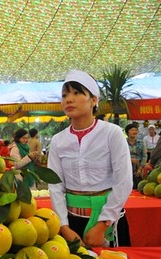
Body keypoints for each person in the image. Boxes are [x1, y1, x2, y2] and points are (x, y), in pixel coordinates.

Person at [48, 69, 132, 248]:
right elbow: (55, 186)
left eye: (77, 93)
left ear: (94, 99)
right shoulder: (58, 140)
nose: (68, 99)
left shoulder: (112, 133)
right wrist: (64, 227)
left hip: (108, 221)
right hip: (72, 223)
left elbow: (123, 182)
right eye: (64, 95)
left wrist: (102, 225)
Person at [125, 123, 147, 189]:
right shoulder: (123, 142)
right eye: (132, 130)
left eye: (136, 130)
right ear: (127, 132)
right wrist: (130, 159)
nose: (134, 132)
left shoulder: (141, 142)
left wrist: (140, 169)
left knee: (139, 187)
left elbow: (144, 156)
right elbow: (120, 155)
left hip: (139, 167)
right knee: (127, 187)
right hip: (126, 167)